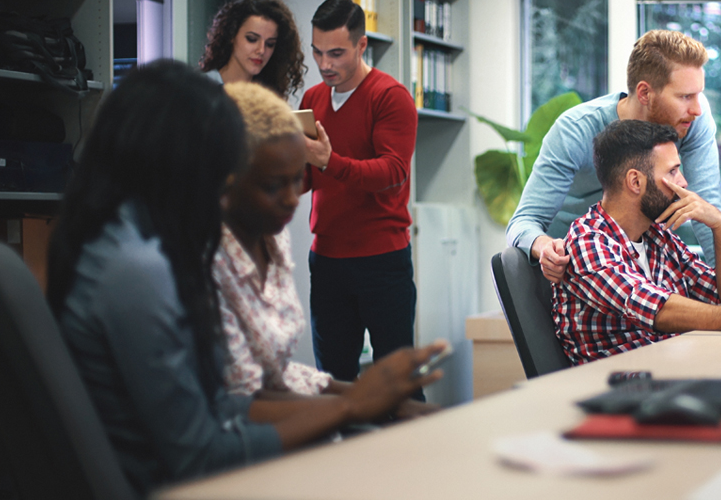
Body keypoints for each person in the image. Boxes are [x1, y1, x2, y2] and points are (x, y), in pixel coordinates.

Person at [46, 61, 444, 495]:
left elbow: (221, 402)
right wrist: (352, 406)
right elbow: (200, 455)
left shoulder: (115, 238)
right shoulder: (138, 270)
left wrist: (353, 402)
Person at [215, 80, 437, 418]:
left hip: (382, 258)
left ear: (359, 45)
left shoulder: (274, 245)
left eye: (295, 181)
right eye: (277, 184)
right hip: (237, 443)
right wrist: (349, 404)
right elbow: (242, 397)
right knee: (339, 367)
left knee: (404, 398)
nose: (293, 198)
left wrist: (366, 397)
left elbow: (279, 373)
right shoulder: (212, 260)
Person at [554, 119, 721, 365]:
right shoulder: (587, 242)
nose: (683, 182)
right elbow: (654, 307)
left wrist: (720, 227)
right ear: (635, 182)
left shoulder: (659, 236)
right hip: (618, 388)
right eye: (672, 171)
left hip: (672, 373)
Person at [507, 30, 721, 283]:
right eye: (685, 96)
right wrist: (545, 247)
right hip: (574, 270)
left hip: (639, 265)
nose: (697, 108)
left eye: (698, 94)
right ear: (644, 93)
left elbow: (706, 210)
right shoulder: (575, 130)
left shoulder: (690, 120)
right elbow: (524, 221)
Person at [298, 0, 420, 389]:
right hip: (327, 259)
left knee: (396, 385)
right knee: (332, 383)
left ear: (361, 45)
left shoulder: (390, 96)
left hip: (382, 262)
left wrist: (329, 161)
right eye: (317, 52)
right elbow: (306, 175)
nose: (325, 64)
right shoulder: (312, 100)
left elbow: (393, 171)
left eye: (336, 53)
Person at [200, 0, 306, 99]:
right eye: (252, 39)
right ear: (232, 35)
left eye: (270, 44)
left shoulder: (268, 99)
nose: (261, 50)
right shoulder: (200, 89)